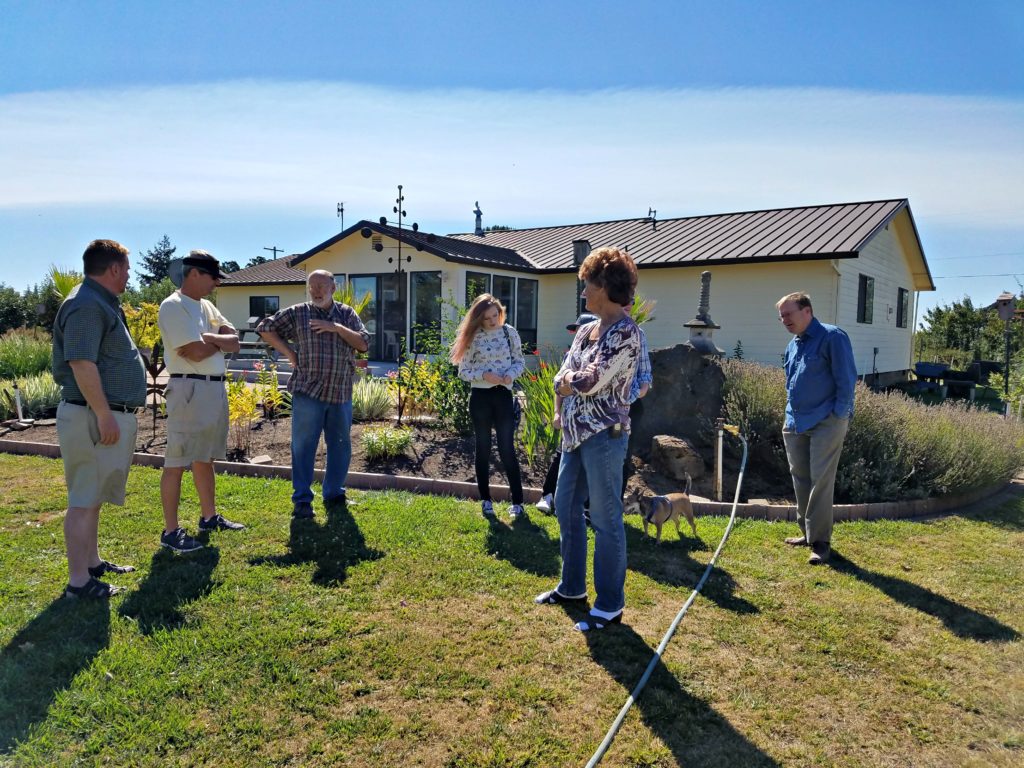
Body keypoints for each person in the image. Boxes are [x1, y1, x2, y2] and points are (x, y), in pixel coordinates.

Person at [535, 246, 641, 631]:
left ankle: (610, 605)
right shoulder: (585, 330)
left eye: (587, 286)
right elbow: (561, 376)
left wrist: (568, 384)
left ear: (606, 287)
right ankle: (572, 588)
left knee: (606, 518)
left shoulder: (627, 333)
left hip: (605, 437)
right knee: (565, 508)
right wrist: (567, 384)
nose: (583, 294)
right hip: (574, 436)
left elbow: (590, 380)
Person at [52, 239, 148, 598]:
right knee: (83, 497)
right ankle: (79, 582)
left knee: (92, 495)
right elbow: (81, 362)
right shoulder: (86, 305)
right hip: (91, 415)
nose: (128, 275)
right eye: (126, 268)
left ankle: (91, 563)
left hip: (98, 414)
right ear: (112, 269)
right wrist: (105, 414)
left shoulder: (98, 301)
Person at [256, 270, 369, 518]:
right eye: (312, 286)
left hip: (340, 391)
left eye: (321, 286)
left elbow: (363, 343)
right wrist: (289, 353)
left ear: (333, 288)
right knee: (304, 446)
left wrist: (335, 327)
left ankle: (334, 493)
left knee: (340, 445)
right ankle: (303, 499)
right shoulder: (298, 313)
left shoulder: (346, 314)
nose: (316, 291)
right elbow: (265, 328)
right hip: (308, 390)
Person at [157, 250, 244, 552]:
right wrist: (218, 342)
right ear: (194, 274)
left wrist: (209, 338)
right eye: (213, 277)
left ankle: (209, 517)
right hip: (189, 390)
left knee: (204, 457)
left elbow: (235, 338)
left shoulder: (205, 305)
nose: (216, 284)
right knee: (177, 460)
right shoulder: (173, 306)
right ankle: (170, 531)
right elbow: (191, 353)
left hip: (212, 389)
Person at [776, 291, 857, 565]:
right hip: (795, 421)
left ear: (807, 311)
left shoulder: (833, 337)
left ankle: (821, 542)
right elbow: (790, 383)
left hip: (826, 421)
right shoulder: (792, 345)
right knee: (800, 477)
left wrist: (839, 415)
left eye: (789, 314)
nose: (784, 320)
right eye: (781, 316)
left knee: (821, 480)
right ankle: (806, 533)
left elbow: (846, 379)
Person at [450, 293, 526, 520]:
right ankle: (486, 500)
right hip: (480, 398)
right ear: (479, 319)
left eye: (496, 315)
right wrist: (484, 375)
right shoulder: (474, 337)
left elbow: (519, 361)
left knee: (507, 449)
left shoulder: (509, 332)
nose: (493, 321)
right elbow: (463, 371)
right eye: (487, 318)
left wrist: (509, 375)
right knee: (483, 448)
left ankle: (518, 502)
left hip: (503, 395)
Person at [535, 312, 597, 514]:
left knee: (589, 463)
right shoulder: (569, 356)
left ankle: (586, 507)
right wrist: (557, 413)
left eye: (581, 330)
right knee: (561, 456)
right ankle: (547, 496)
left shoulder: (602, 355)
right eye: (577, 330)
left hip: (593, 420)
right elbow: (559, 387)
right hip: (570, 417)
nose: (578, 334)